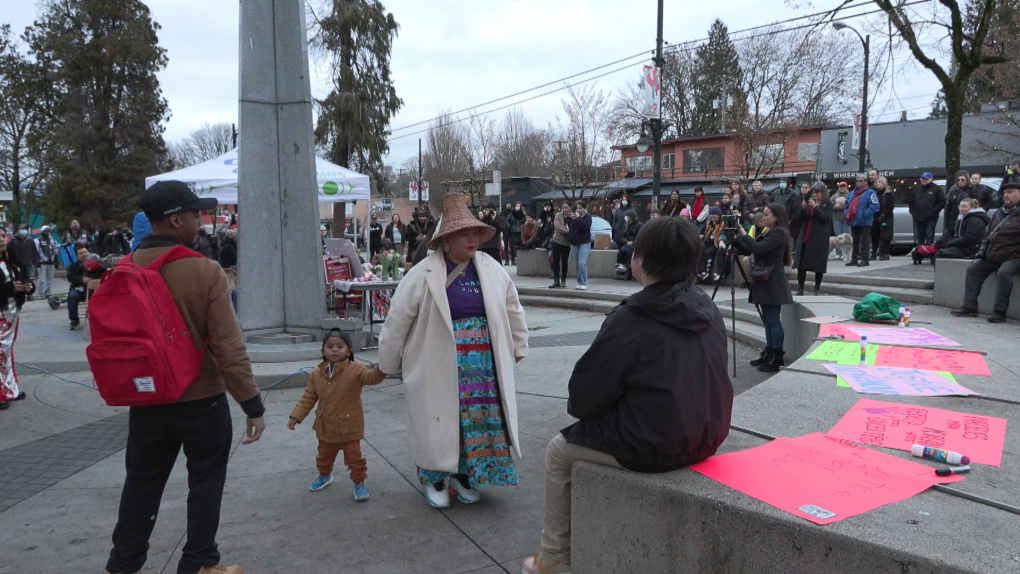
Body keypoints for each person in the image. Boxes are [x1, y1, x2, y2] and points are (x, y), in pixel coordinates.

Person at [521, 216, 733, 574]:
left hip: (658, 445)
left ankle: (554, 556)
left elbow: (585, 398)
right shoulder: (705, 305)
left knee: (559, 451)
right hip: (709, 434)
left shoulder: (633, 317)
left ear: (641, 260)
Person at [103, 180, 265, 574]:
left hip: (147, 401)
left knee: (140, 486)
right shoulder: (204, 271)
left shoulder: (123, 270)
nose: (200, 220)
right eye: (195, 214)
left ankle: (122, 565)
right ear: (176, 220)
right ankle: (199, 564)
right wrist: (251, 404)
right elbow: (228, 346)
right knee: (205, 485)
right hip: (201, 400)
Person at [377, 192, 528, 509]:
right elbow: (397, 320)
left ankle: (464, 476)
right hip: (436, 362)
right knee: (437, 420)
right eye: (464, 234)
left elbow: (512, 307)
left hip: (482, 367)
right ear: (446, 240)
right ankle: (434, 477)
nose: (472, 239)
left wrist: (517, 344)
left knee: (474, 421)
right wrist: (388, 363)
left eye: (474, 233)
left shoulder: (490, 267)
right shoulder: (422, 273)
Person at [288, 329, 385, 499]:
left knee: (355, 459)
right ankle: (324, 476)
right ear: (322, 351)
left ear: (349, 351)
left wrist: (383, 367)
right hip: (326, 428)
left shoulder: (356, 370)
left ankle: (359, 483)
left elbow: (372, 378)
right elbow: (308, 398)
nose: (334, 349)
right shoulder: (316, 374)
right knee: (324, 456)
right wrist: (295, 416)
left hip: (350, 427)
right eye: (330, 346)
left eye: (340, 346)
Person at [733, 203, 794, 372]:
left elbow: (758, 248)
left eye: (766, 214)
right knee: (767, 320)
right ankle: (769, 352)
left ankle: (777, 356)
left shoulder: (778, 233)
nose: (763, 217)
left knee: (773, 320)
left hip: (772, 281)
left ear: (776, 216)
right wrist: (735, 239)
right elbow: (750, 250)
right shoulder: (769, 231)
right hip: (764, 279)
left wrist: (744, 234)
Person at [951, 182, 1020, 323]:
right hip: (994, 254)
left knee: (1004, 273)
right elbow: (989, 233)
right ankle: (970, 306)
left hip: (1014, 256)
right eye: (1005, 192)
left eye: (1011, 192)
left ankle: (1000, 312)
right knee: (973, 270)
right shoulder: (1000, 212)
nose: (1006, 195)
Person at [0, 226, 33, 411]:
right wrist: (12, 288)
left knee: (6, 350)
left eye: (3, 236)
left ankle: (9, 388)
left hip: (12, 310)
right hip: (1, 310)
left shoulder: (10, 256)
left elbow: (22, 276)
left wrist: (27, 286)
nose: (2, 240)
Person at [794, 183, 833, 296]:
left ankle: (817, 288)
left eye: (818, 192)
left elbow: (824, 218)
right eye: (814, 192)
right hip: (806, 235)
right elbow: (800, 219)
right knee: (801, 264)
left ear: (823, 193)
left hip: (819, 237)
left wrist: (816, 207)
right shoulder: (809, 202)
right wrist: (803, 209)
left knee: (818, 264)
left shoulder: (828, 204)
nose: (815, 195)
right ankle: (800, 288)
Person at [65, 246, 106, 330]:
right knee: (72, 296)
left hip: (95, 290)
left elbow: (106, 273)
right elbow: (70, 276)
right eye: (81, 253)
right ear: (77, 256)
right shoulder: (74, 266)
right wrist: (81, 279)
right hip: (81, 289)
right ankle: (74, 320)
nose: (84, 254)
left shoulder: (98, 263)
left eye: (85, 252)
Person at [844, 176, 880, 267]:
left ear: (866, 182)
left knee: (865, 240)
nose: (858, 182)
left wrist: (865, 214)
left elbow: (875, 206)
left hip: (865, 221)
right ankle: (854, 258)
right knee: (855, 240)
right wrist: (846, 214)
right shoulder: (851, 193)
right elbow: (846, 205)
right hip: (854, 220)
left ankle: (865, 259)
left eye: (861, 181)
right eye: (857, 181)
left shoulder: (870, 193)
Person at [908, 172, 945, 250]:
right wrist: (913, 212)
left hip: (931, 218)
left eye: (926, 179)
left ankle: (928, 252)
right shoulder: (917, 189)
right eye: (922, 178)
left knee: (929, 236)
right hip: (918, 217)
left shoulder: (937, 189)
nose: (924, 180)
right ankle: (919, 252)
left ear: (931, 179)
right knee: (919, 236)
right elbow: (910, 201)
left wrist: (934, 212)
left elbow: (941, 202)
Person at [566, 202, 592, 290]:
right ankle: (579, 281)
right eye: (577, 208)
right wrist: (570, 238)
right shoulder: (572, 218)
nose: (578, 210)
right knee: (577, 264)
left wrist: (578, 219)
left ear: (584, 208)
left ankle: (585, 282)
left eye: (580, 208)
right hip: (574, 243)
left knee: (582, 263)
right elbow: (569, 228)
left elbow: (585, 226)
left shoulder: (587, 217)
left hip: (584, 243)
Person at [9, 226, 39, 301]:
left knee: (29, 280)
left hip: (30, 263)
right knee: (20, 280)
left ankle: (30, 295)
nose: (24, 230)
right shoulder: (14, 241)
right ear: (18, 230)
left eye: (25, 229)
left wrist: (35, 262)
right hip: (19, 265)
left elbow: (34, 251)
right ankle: (20, 296)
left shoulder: (30, 240)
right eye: (22, 229)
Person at [698, 207, 725, 282]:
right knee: (700, 251)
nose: (712, 216)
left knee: (708, 252)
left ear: (719, 216)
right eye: (711, 214)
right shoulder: (708, 224)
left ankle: (707, 271)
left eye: (714, 214)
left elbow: (722, 233)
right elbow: (702, 231)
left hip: (715, 243)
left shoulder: (722, 224)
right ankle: (701, 271)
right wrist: (701, 234)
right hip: (707, 242)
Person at [872, 176, 896, 260]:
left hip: (886, 217)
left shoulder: (889, 194)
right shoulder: (874, 193)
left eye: (880, 182)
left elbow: (890, 206)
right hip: (875, 217)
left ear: (884, 183)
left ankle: (884, 253)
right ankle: (873, 253)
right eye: (877, 182)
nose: (878, 184)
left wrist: (884, 215)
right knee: (874, 236)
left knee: (885, 237)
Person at [943, 170, 972, 236]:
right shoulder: (953, 192)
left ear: (967, 180)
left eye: (962, 180)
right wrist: (947, 224)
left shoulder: (972, 191)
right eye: (958, 180)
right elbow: (948, 209)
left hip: (966, 221)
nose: (960, 181)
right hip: (953, 221)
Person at [615, 209, 642, 279]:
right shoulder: (626, 225)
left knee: (629, 251)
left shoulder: (639, 225)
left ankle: (629, 267)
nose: (626, 218)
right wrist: (626, 241)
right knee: (622, 250)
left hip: (634, 244)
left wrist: (633, 242)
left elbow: (640, 236)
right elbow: (622, 236)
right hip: (627, 243)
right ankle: (620, 264)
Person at [549, 202, 571, 289]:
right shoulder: (558, 215)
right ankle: (556, 280)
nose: (564, 209)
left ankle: (563, 280)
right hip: (557, 240)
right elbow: (557, 227)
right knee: (556, 261)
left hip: (566, 243)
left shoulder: (572, 217)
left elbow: (573, 227)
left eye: (566, 207)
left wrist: (567, 229)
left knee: (564, 261)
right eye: (563, 207)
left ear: (569, 208)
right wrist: (568, 230)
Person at [34, 225, 59, 299]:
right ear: (42, 231)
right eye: (45, 231)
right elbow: (36, 251)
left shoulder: (53, 240)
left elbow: (55, 250)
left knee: (50, 279)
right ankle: (40, 294)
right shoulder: (37, 240)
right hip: (42, 263)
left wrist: (56, 260)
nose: (47, 232)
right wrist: (37, 261)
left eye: (49, 231)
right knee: (42, 279)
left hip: (51, 263)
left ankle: (48, 293)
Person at [831, 181, 850, 260]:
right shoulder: (834, 196)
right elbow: (830, 206)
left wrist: (845, 207)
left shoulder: (850, 196)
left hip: (847, 218)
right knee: (838, 236)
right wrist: (836, 207)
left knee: (846, 236)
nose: (842, 188)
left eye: (844, 186)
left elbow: (852, 205)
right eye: (841, 186)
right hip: (836, 218)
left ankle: (845, 253)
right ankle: (838, 253)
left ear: (846, 187)